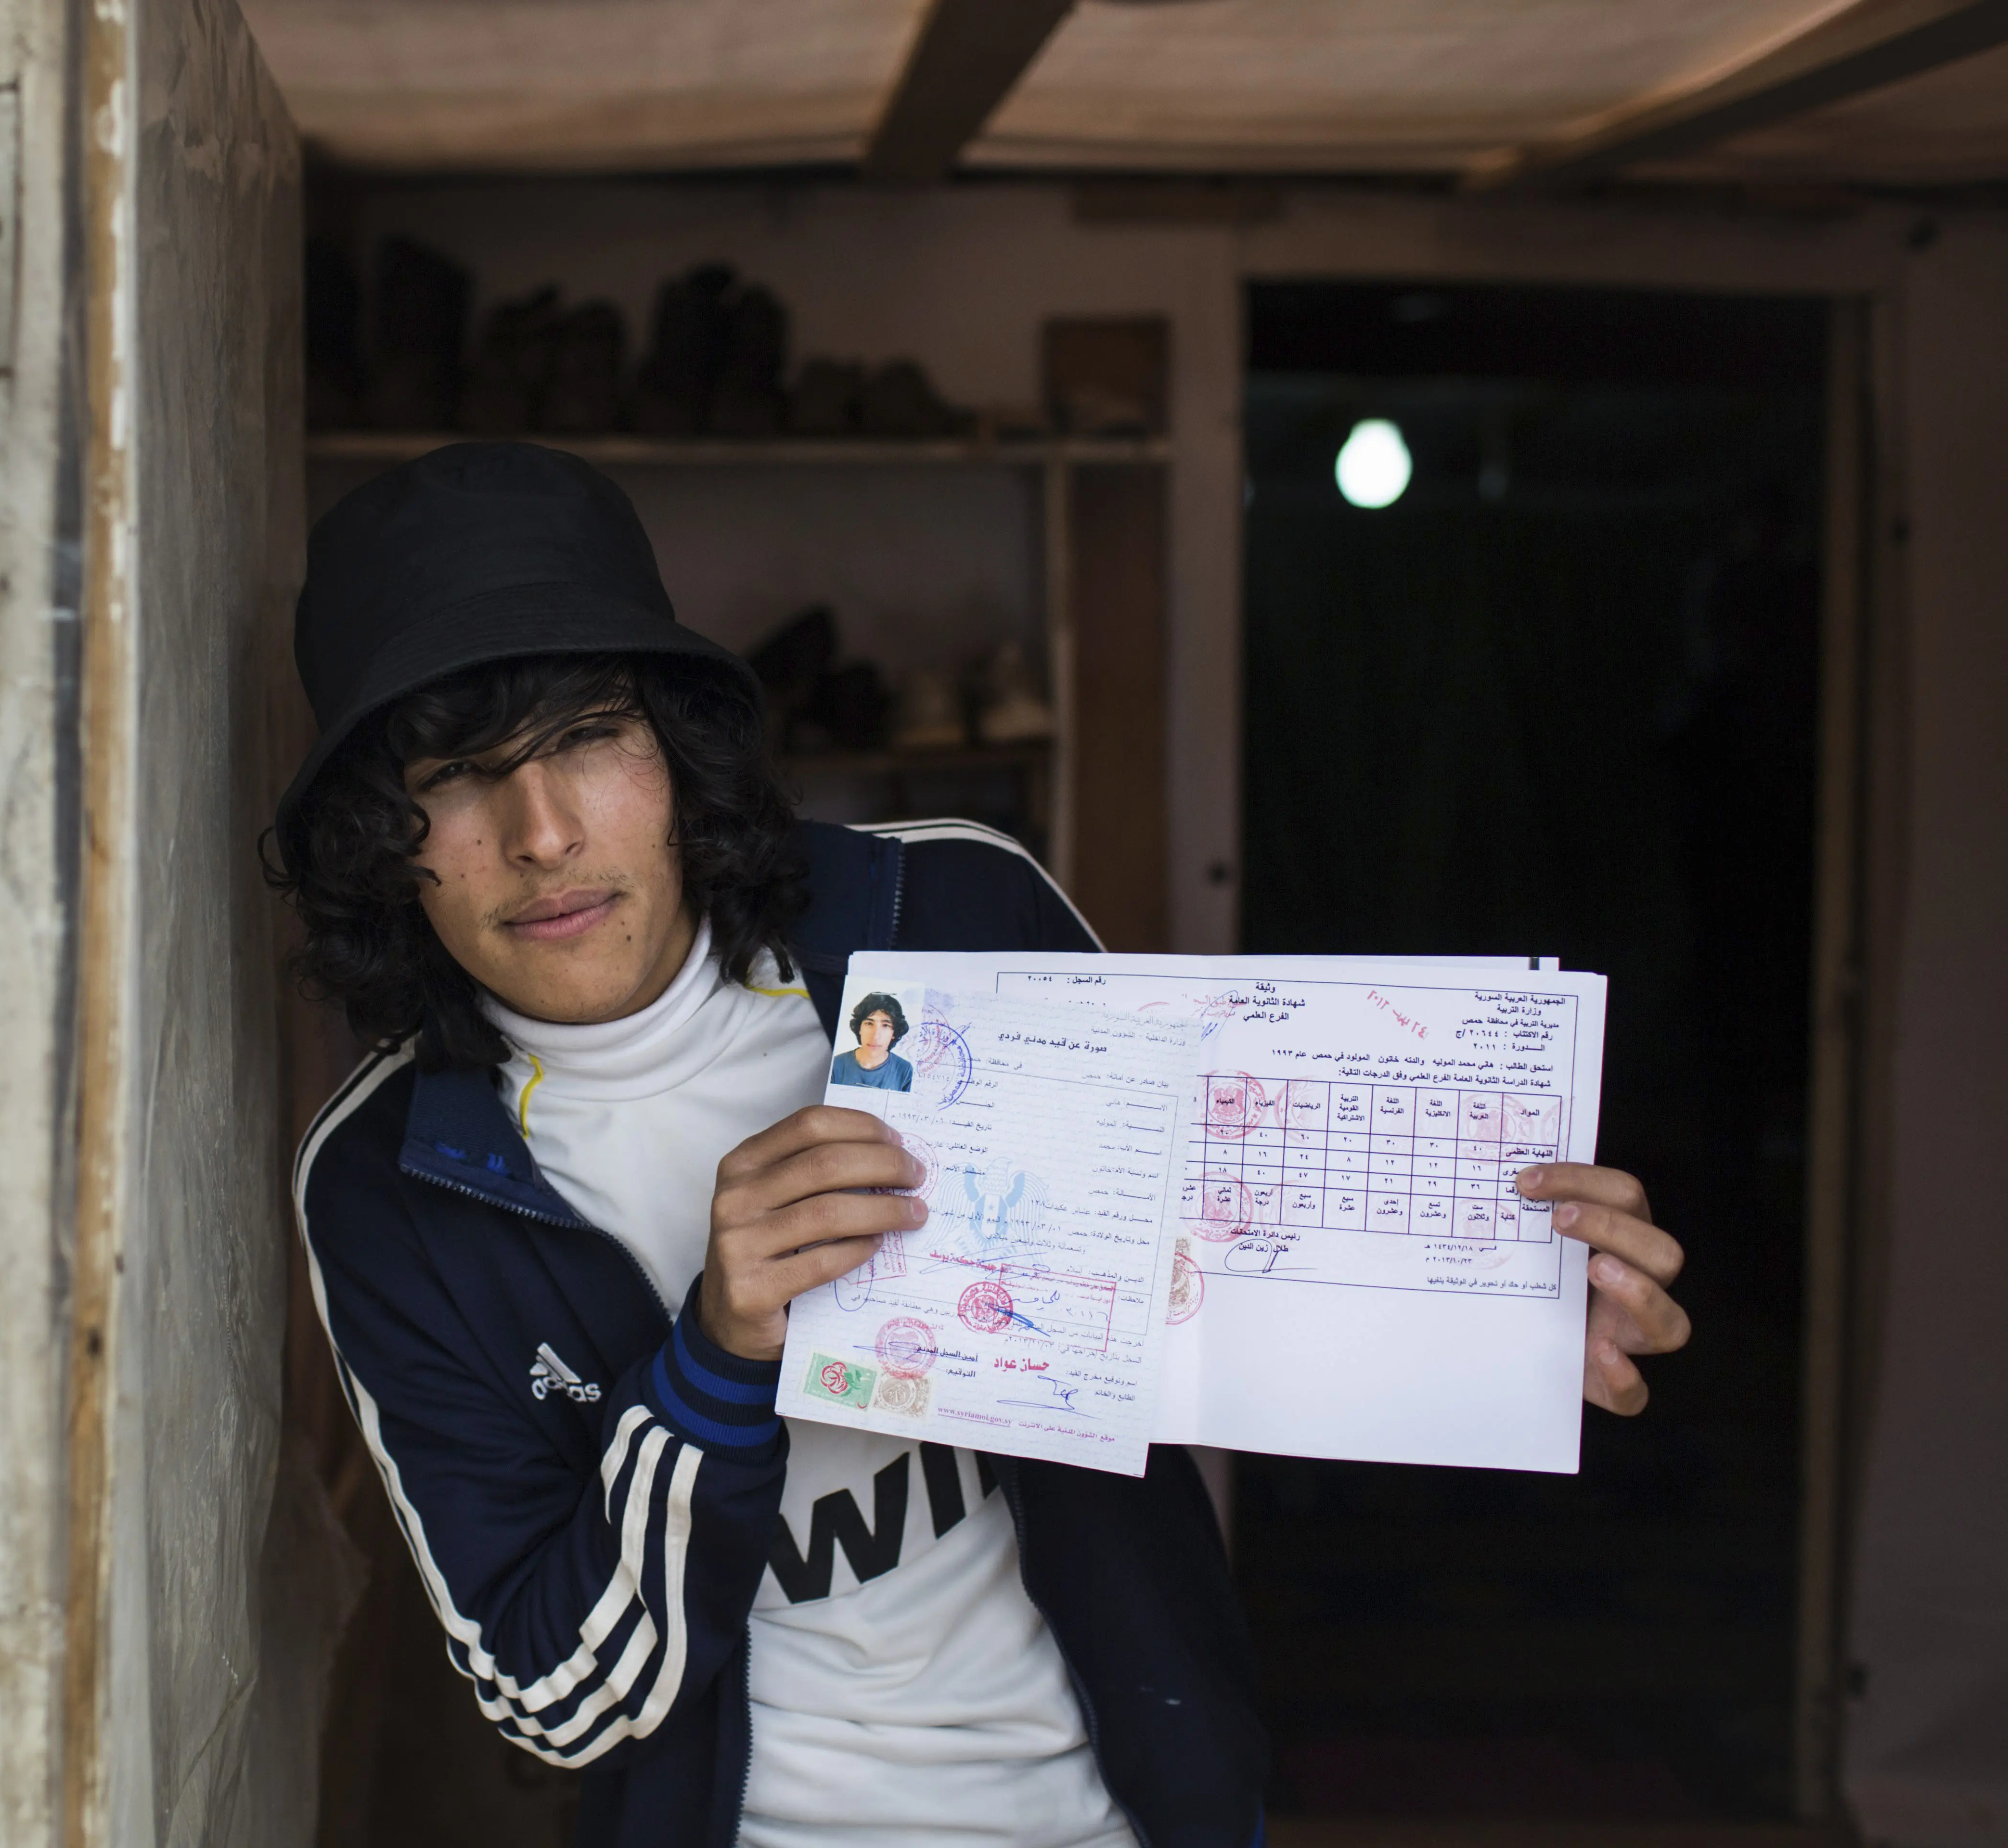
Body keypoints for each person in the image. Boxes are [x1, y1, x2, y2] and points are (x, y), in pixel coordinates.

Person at [270, 443, 1690, 1848]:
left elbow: (1195, 1273)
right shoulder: (393, 1180)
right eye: (456, 777)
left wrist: (1472, 1320)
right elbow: (558, 1699)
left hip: (1120, 1807)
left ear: (674, 746)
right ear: (378, 841)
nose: (541, 832)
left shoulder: (938, 915)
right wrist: (714, 1355)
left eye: (587, 735)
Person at [830, 992, 914, 1091]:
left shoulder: (905, 1070)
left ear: (894, 1033)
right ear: (859, 1028)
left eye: (886, 1025)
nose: (876, 1036)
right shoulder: (836, 1065)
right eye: (869, 1023)